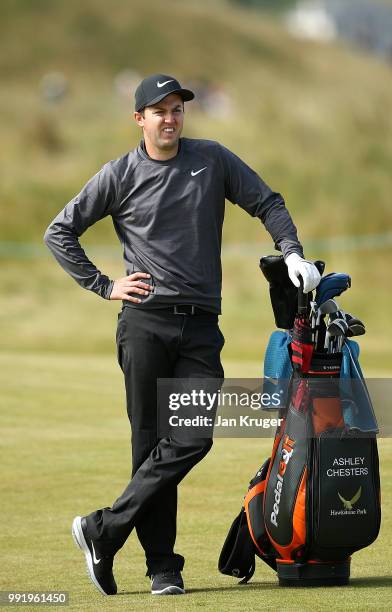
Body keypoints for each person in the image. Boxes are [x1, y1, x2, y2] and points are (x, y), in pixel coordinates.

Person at [44, 73, 321, 596]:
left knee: (192, 438)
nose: (170, 119)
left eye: (177, 109)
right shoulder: (120, 173)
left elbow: (269, 201)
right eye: (159, 110)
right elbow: (59, 231)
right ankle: (162, 570)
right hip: (144, 323)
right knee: (150, 445)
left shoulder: (211, 159)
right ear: (139, 119)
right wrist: (104, 285)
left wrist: (291, 251)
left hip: (199, 328)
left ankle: (104, 529)